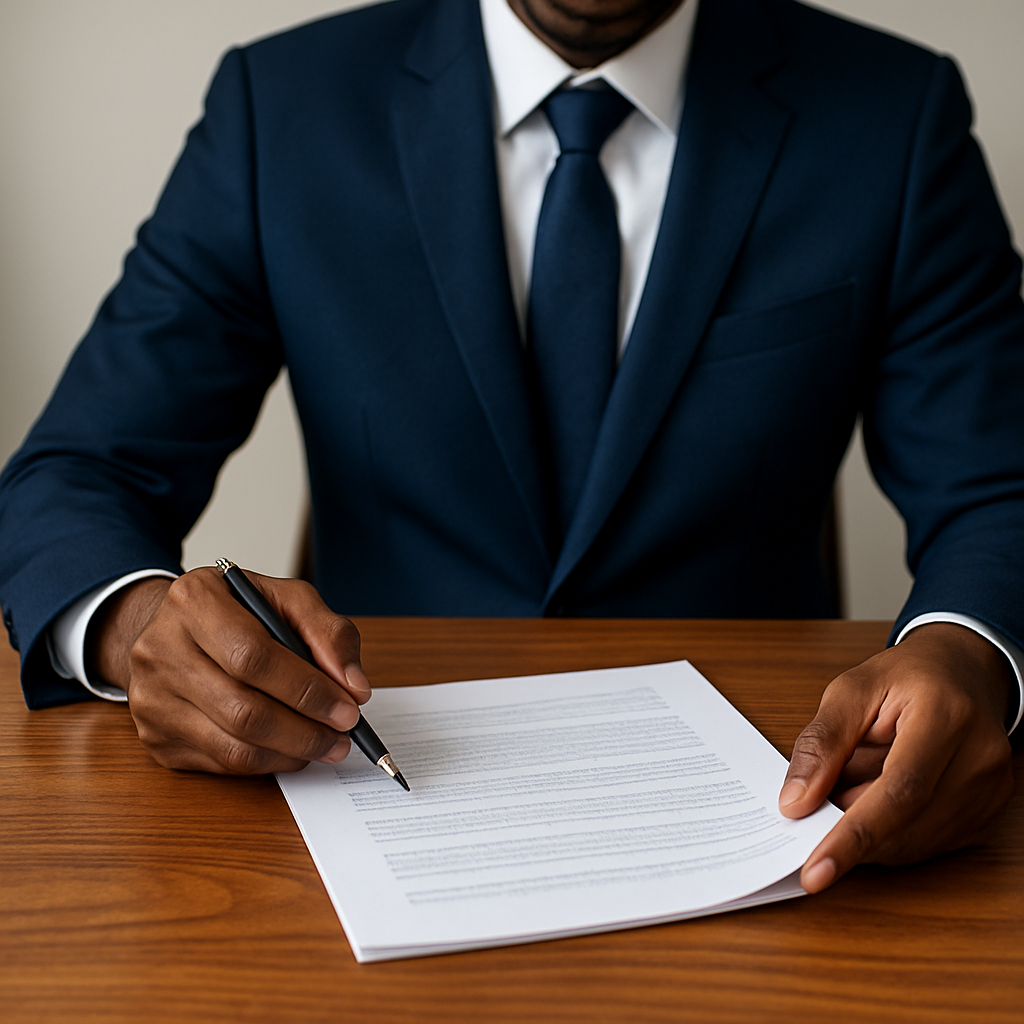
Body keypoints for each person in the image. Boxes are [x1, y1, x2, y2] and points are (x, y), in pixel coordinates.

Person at [1, 0, 1023, 898]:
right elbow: (79, 468)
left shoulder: (895, 114)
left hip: (768, 812)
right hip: (365, 798)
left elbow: (998, 487)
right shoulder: (282, 105)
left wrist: (971, 648)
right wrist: (137, 628)